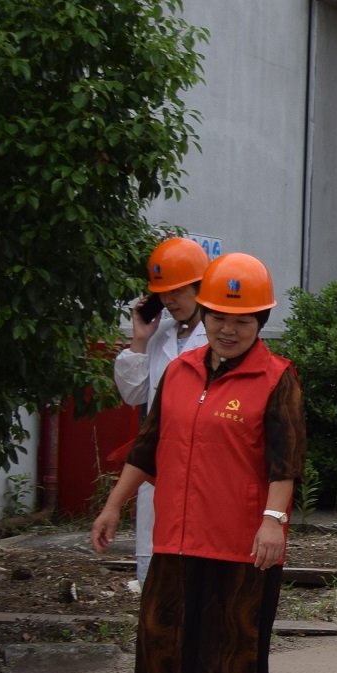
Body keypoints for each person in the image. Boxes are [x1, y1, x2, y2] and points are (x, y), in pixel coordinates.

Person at [90, 254, 302, 673]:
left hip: (239, 542)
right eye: (219, 318)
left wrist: (273, 522)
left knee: (226, 648)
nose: (228, 329)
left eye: (242, 320)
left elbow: (285, 461)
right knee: (166, 640)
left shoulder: (276, 378)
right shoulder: (180, 372)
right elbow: (147, 447)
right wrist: (113, 506)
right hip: (176, 537)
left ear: (260, 322)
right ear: (204, 316)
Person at [112, 236, 210, 589]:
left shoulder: (220, 336)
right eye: (163, 293)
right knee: (155, 574)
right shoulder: (159, 336)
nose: (169, 300)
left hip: (204, 462)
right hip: (161, 463)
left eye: (178, 290)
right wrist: (139, 338)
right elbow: (133, 393)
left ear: (201, 286)